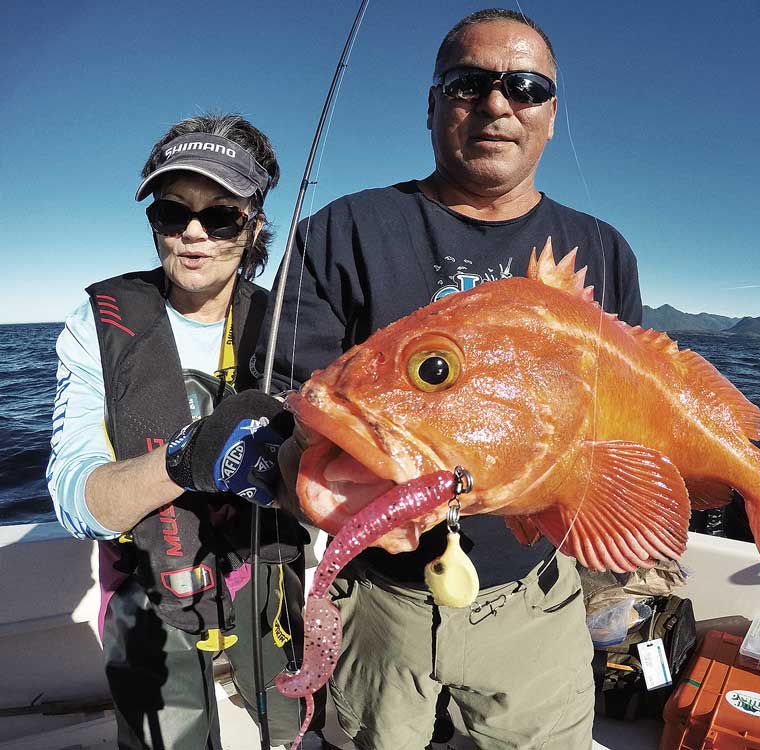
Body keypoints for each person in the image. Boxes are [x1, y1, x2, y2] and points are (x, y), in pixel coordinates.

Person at [262, 9, 642, 749]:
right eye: (470, 83)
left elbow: (616, 425)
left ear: (551, 114)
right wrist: (296, 471)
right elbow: (290, 403)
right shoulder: (343, 231)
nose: (499, 104)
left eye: (526, 87)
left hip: (537, 600)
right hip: (378, 605)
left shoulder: (605, 252)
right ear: (433, 103)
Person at [47, 113, 326, 750]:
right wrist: (185, 459)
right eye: (172, 213)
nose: (193, 234)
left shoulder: (298, 322)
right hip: (148, 589)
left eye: (221, 215)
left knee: (289, 731)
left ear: (254, 223)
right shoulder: (97, 323)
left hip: (267, 581)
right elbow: (72, 495)